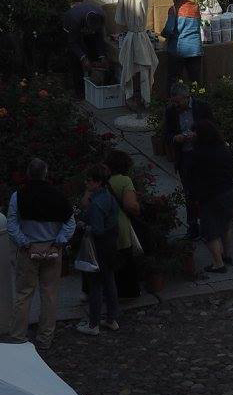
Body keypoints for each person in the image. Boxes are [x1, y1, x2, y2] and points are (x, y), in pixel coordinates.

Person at [7, 158, 76, 350]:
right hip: (52, 249)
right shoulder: (58, 196)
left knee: (23, 294)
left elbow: (12, 224)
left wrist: (24, 243)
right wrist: (58, 242)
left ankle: (18, 336)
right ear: (46, 174)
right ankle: (45, 337)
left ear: (28, 174)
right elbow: (70, 223)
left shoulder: (18, 196)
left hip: (28, 249)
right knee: (49, 294)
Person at [163, 82, 214, 239]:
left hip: (202, 156)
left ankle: (208, 226)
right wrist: (175, 138)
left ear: (187, 97)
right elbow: (166, 134)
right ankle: (193, 227)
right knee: (189, 193)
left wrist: (198, 135)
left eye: (178, 102)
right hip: (185, 157)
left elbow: (213, 129)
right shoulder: (171, 111)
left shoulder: (202, 107)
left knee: (205, 191)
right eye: (174, 102)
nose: (176, 105)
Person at [185, 122, 233, 274]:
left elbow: (191, 175)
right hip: (229, 190)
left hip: (210, 195)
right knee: (225, 225)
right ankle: (227, 255)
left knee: (209, 230)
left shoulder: (198, 154)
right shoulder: (224, 149)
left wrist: (193, 196)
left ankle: (218, 264)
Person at [75, 164, 120, 336]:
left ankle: (93, 324)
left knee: (95, 285)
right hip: (111, 244)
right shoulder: (109, 197)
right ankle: (111, 318)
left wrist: (83, 226)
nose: (86, 183)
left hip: (98, 247)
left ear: (98, 182)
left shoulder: (96, 204)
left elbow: (97, 229)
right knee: (109, 281)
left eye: (89, 180)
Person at [106, 150, 141, 299]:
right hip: (120, 226)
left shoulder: (101, 181)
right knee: (125, 259)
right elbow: (130, 205)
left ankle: (108, 292)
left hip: (103, 227)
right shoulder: (125, 180)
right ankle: (127, 292)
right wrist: (138, 208)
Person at [62, 0, 106, 97]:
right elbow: (72, 42)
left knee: (93, 51)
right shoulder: (74, 20)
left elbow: (99, 37)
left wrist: (102, 56)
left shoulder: (101, 16)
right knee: (75, 58)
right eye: (90, 30)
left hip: (86, 25)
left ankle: (93, 82)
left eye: (93, 30)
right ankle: (79, 91)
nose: (92, 31)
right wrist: (83, 57)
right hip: (70, 27)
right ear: (86, 25)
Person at [162, 0, 202, 87]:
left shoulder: (174, 9)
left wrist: (162, 34)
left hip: (178, 49)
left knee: (174, 80)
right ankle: (197, 96)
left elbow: (168, 30)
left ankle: (174, 96)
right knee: (195, 80)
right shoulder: (195, 7)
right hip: (195, 49)